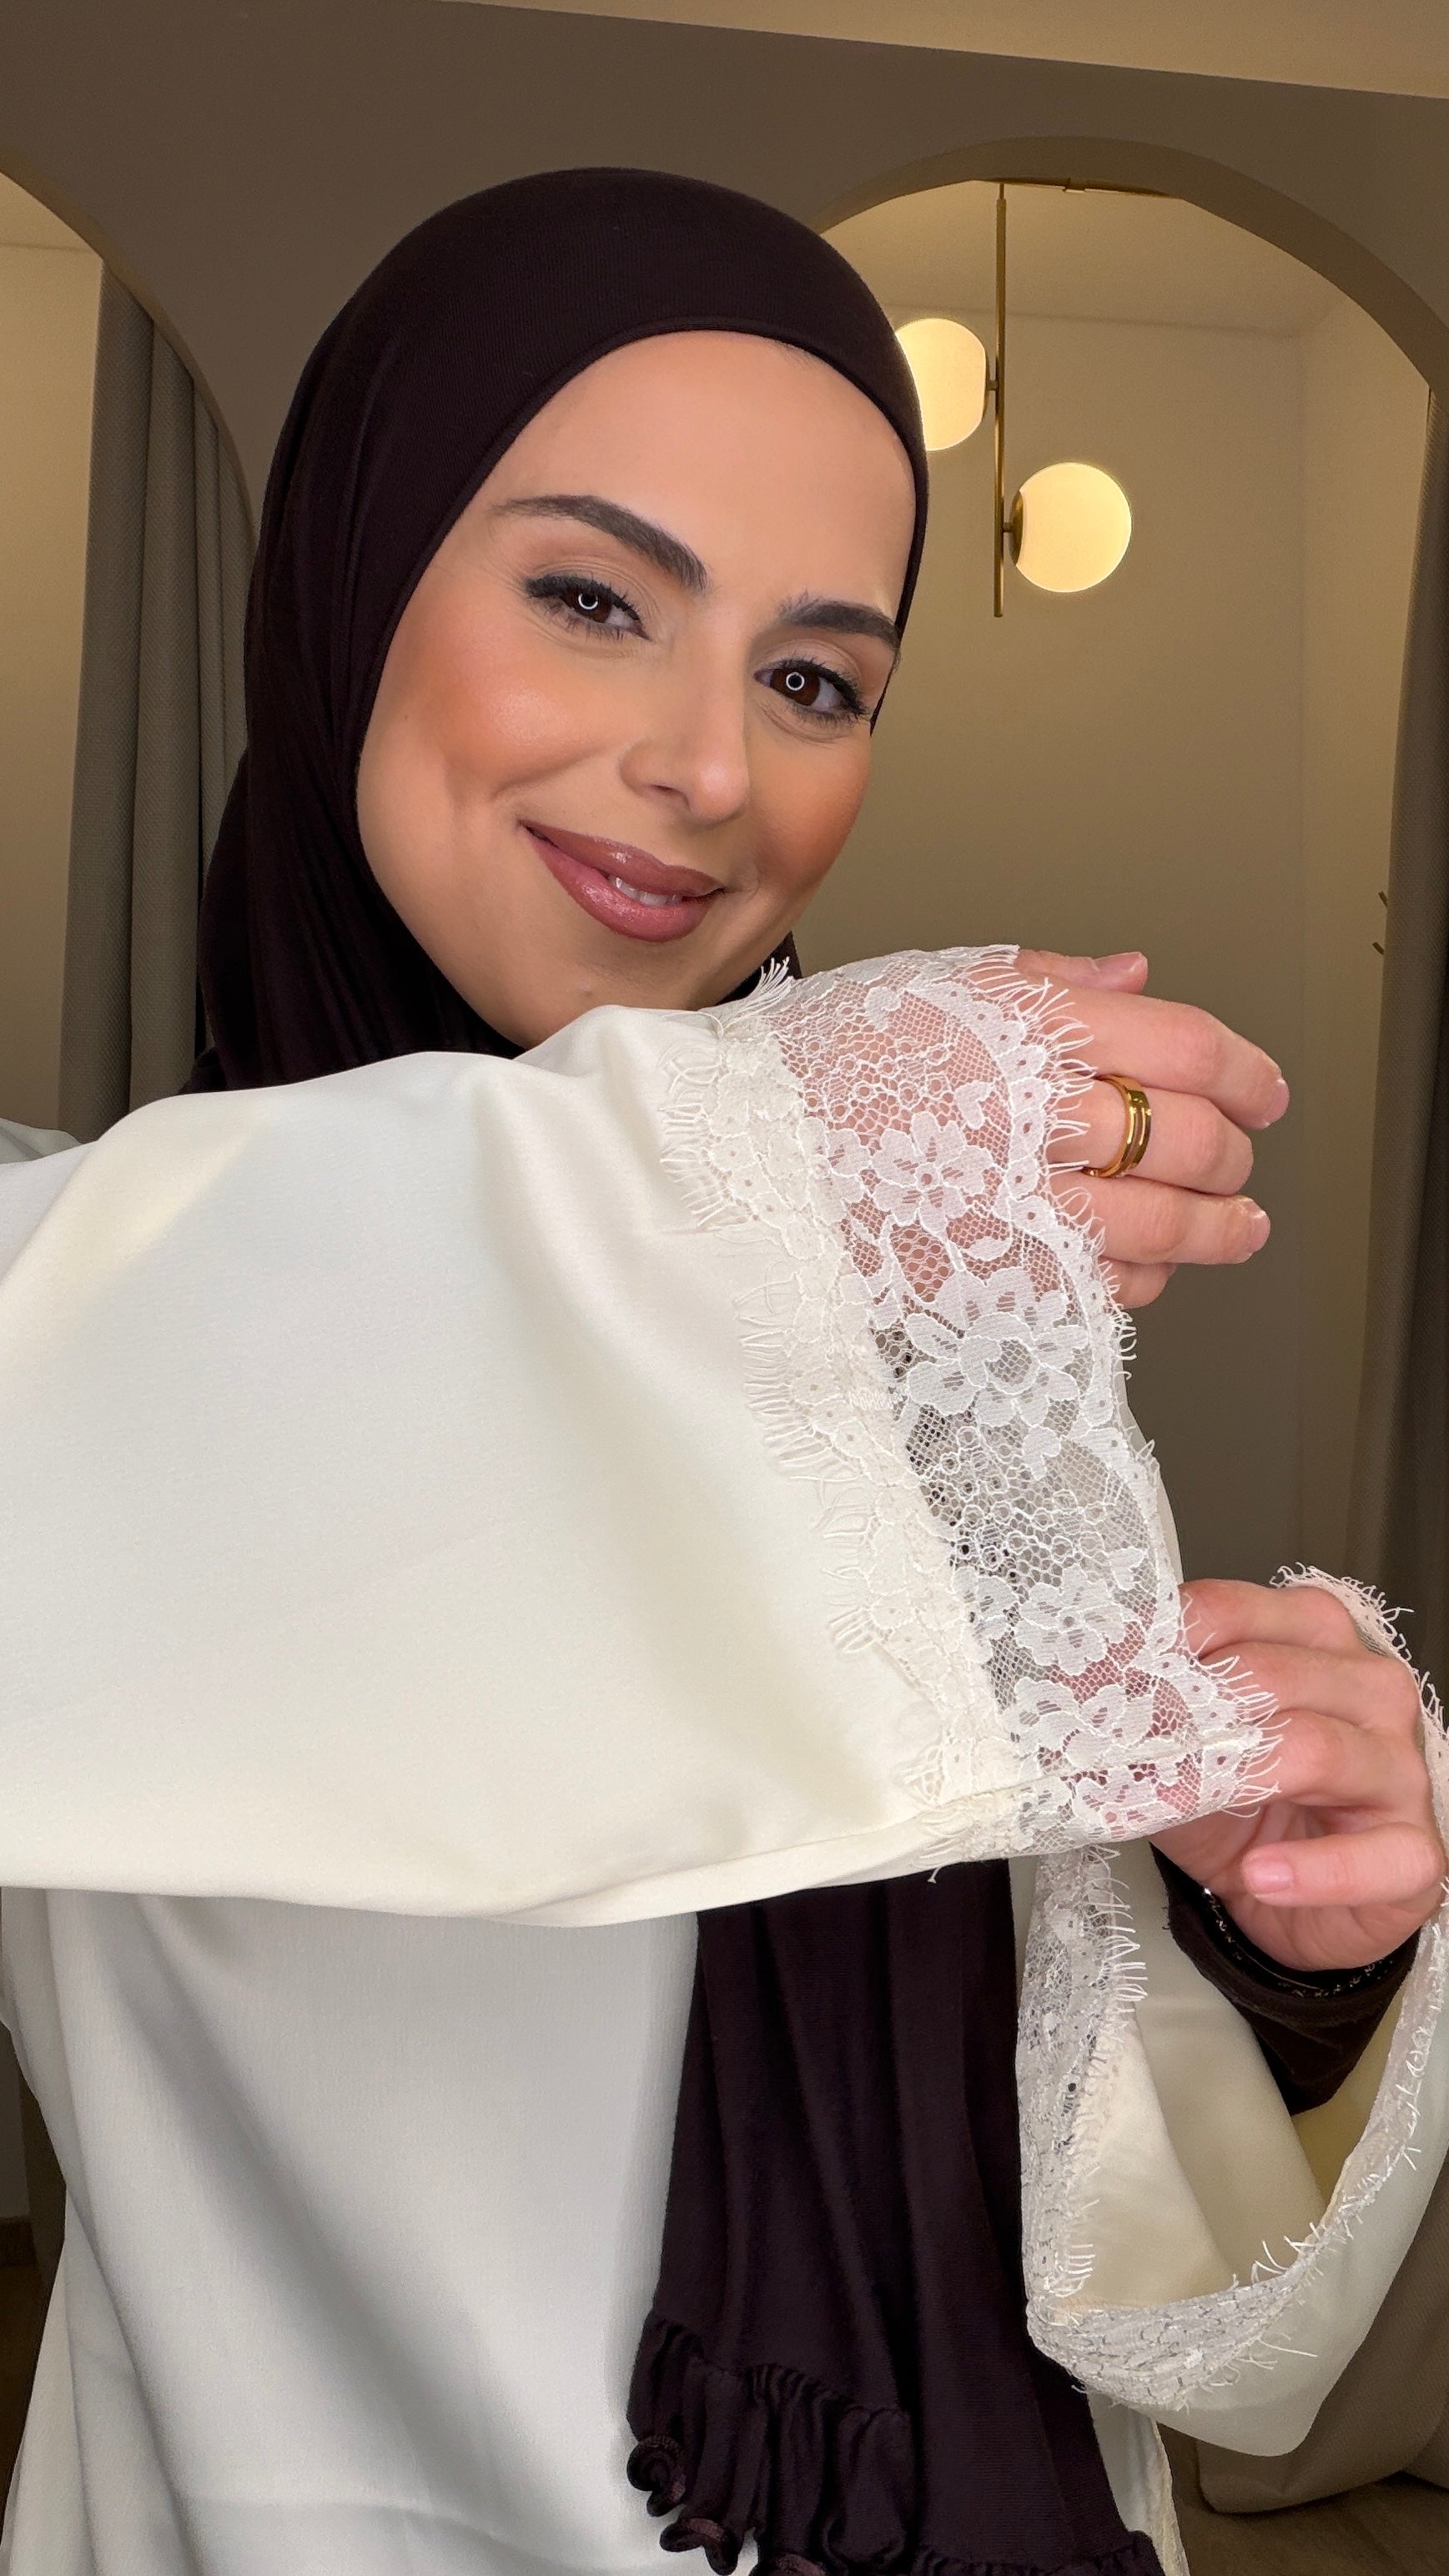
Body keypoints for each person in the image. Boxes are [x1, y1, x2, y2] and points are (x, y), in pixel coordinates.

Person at [0, 169, 1442, 2576]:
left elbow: (1095, 2244)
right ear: (347, 593)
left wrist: (1261, 1930)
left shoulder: (877, 1317)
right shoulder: (103, 1309)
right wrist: (741, 1178)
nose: (710, 769)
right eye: (591, 597)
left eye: (816, 679)